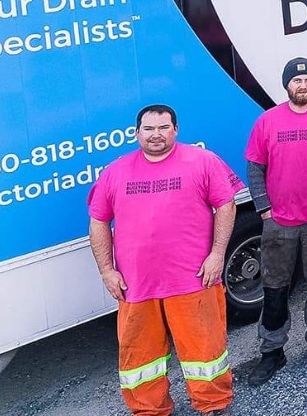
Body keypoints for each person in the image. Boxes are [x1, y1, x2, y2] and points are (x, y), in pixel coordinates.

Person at [89, 105, 239, 416]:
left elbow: (226, 205)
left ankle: (213, 404)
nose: (155, 134)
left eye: (163, 127)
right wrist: (106, 271)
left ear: (175, 130)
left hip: (194, 279)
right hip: (135, 285)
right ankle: (149, 409)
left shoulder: (202, 161)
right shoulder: (115, 172)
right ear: (136, 133)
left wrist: (217, 254)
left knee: (205, 350)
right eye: (148, 129)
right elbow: (98, 221)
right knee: (140, 358)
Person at [241, 57, 307, 385]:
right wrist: (264, 208)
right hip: (279, 221)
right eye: (296, 80)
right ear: (286, 84)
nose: (302, 85)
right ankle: (272, 350)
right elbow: (254, 166)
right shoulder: (268, 121)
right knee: (275, 289)